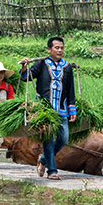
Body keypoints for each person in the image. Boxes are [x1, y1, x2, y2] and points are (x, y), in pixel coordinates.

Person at [20, 37, 76, 182]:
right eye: (56, 48)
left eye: (62, 48)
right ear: (49, 50)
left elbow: (71, 90)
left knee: (64, 139)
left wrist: (72, 110)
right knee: (49, 140)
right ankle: (52, 171)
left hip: (62, 109)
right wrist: (25, 66)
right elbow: (26, 78)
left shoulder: (67, 66)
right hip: (44, 110)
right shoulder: (41, 64)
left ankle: (43, 159)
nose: (60, 50)